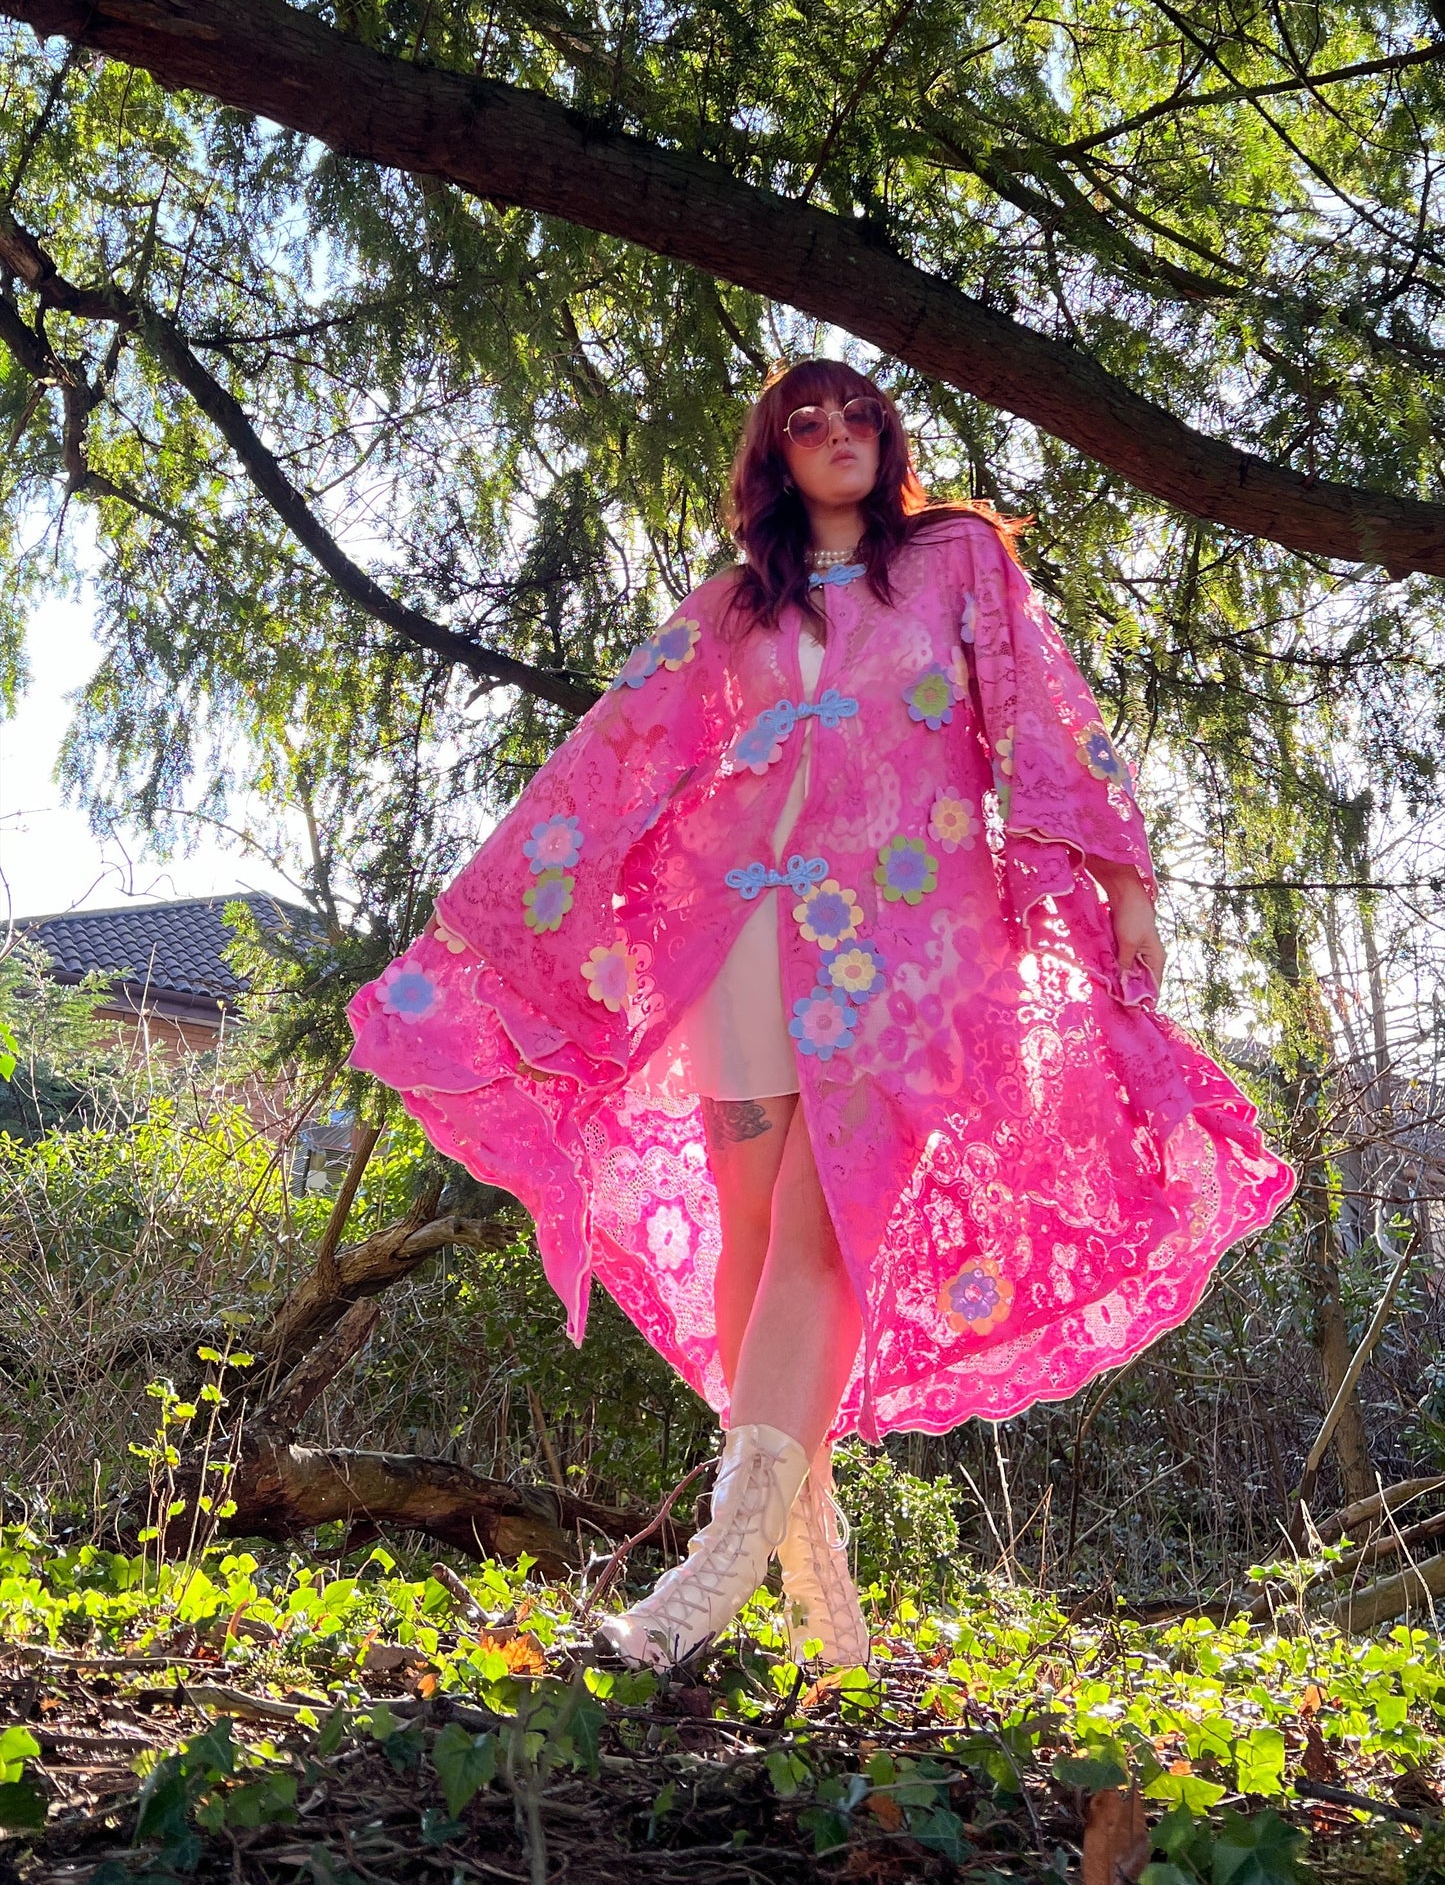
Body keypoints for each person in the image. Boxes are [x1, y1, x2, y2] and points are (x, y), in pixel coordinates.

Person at [348, 362, 1295, 1670]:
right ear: (775, 456)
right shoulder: (733, 606)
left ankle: (714, 1570)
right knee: (749, 1230)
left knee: (826, 1222)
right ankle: (813, 1578)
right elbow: (613, 753)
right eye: (807, 422)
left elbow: (1045, 716)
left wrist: (1125, 884)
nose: (838, 434)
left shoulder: (957, 561)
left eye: (858, 414)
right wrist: (493, 916)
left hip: (913, 945)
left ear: (888, 436)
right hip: (739, 945)